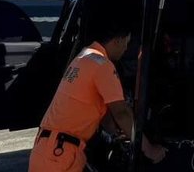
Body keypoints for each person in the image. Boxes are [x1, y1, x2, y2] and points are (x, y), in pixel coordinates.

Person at [29, 18, 167, 172]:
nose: (125, 49)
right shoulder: (103, 65)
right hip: (61, 154)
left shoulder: (84, 57)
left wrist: (116, 132)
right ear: (117, 40)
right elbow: (121, 113)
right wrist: (149, 149)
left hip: (48, 148)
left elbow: (99, 111)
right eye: (126, 43)